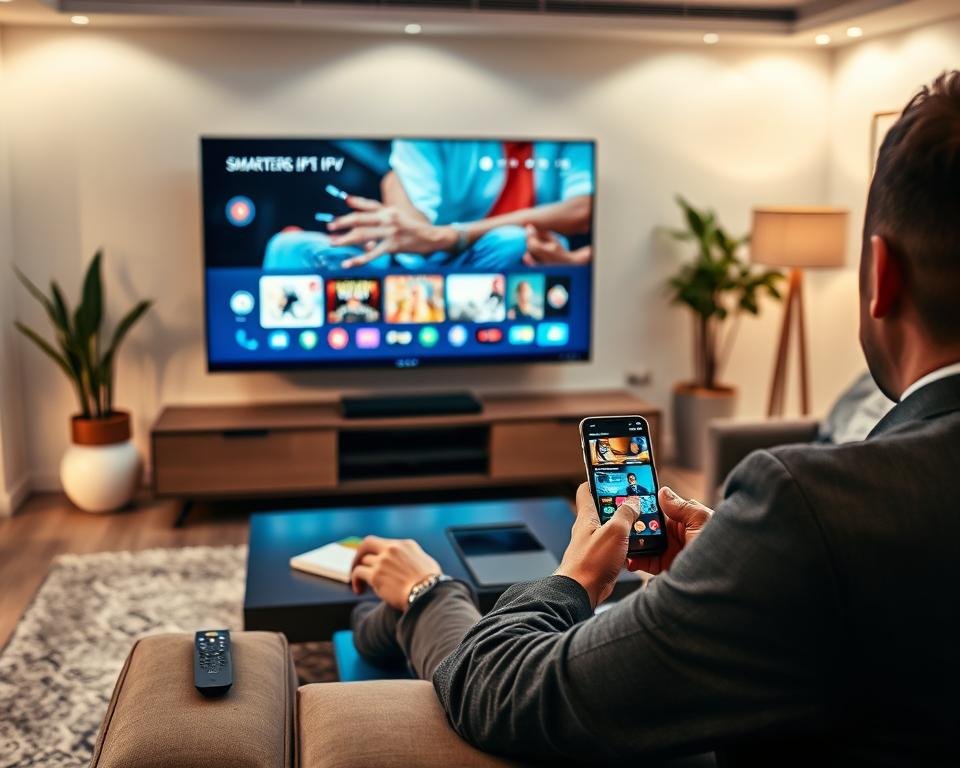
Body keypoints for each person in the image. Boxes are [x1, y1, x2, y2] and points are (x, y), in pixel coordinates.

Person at [348, 72, 960, 766]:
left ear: (882, 274)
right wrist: (728, 571)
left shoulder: (811, 507)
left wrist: (573, 578)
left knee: (438, 614)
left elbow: (505, 693)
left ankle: (413, 595)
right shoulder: (835, 513)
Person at [266, 140, 594, 271]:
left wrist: (454, 235)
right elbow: (414, 234)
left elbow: (582, 209)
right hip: (426, 261)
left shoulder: (564, 133)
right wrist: (429, 236)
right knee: (289, 249)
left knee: (515, 240)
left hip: (496, 257)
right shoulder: (434, 126)